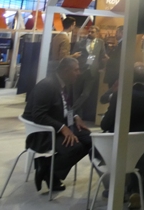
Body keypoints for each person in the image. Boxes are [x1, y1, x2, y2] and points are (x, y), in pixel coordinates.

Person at [23, 57, 92, 192]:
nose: (79, 73)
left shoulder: (64, 84)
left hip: (56, 127)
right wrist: (62, 128)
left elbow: (66, 106)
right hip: (42, 133)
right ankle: (50, 173)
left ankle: (47, 167)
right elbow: (39, 115)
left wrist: (75, 117)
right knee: (75, 147)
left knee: (91, 140)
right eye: (76, 70)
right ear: (66, 71)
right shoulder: (47, 85)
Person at [100, 64, 144, 209]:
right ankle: (134, 190)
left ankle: (115, 189)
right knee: (136, 158)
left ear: (129, 78)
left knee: (93, 150)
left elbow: (105, 124)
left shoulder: (120, 95)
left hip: (118, 152)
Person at [72, 26, 107, 117]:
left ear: (97, 33)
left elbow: (102, 55)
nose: (90, 33)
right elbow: (73, 56)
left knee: (85, 94)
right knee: (76, 93)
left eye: (92, 32)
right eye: (89, 31)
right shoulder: (80, 43)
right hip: (80, 70)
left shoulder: (100, 43)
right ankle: (76, 116)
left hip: (92, 71)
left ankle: (71, 111)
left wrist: (102, 66)